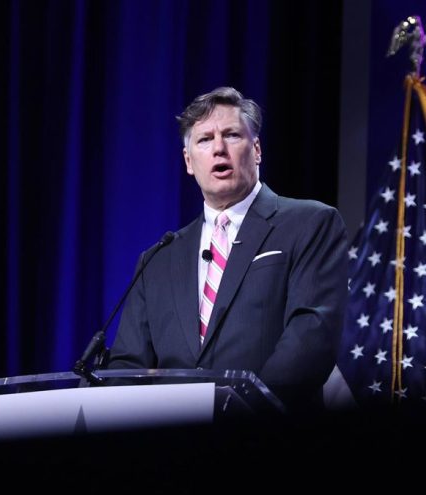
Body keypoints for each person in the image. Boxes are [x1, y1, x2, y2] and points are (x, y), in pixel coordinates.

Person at [108, 87, 348, 410]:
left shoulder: (310, 224)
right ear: (189, 161)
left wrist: (240, 411)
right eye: (204, 140)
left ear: (257, 150)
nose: (218, 148)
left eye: (232, 135)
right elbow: (128, 368)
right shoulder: (157, 260)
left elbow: (311, 338)